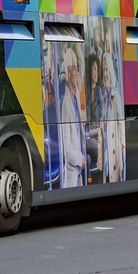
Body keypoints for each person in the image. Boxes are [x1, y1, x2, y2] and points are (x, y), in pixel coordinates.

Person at [59, 47, 85, 188]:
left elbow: (82, 66)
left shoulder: (76, 93)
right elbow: (67, 150)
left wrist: (78, 43)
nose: (77, 73)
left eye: (76, 68)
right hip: (72, 171)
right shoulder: (65, 105)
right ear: (68, 72)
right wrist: (79, 158)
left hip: (79, 170)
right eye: (74, 69)